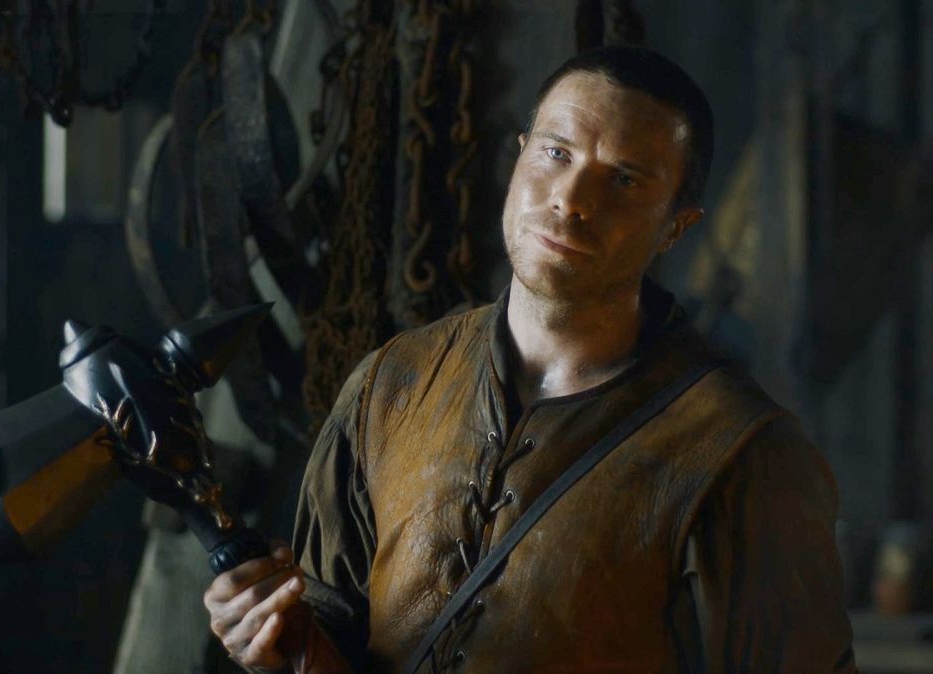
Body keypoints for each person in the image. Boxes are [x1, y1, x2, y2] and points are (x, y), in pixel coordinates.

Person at [203, 45, 858, 673]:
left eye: (624, 179)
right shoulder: (393, 384)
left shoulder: (741, 454)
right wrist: (267, 639)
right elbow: (328, 629)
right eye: (556, 153)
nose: (571, 199)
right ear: (520, 156)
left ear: (676, 225)